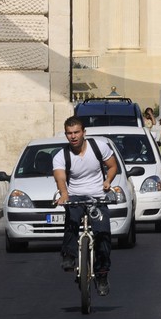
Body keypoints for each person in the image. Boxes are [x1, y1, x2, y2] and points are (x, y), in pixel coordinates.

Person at [53, 115, 117, 296]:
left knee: (103, 234)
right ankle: (69, 255)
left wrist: (108, 181)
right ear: (66, 134)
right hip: (75, 195)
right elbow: (60, 177)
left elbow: (112, 166)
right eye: (69, 133)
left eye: (76, 132)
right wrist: (64, 195)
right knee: (72, 219)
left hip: (97, 197)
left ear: (84, 132)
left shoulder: (99, 147)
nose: (73, 136)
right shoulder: (61, 156)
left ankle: (102, 274)